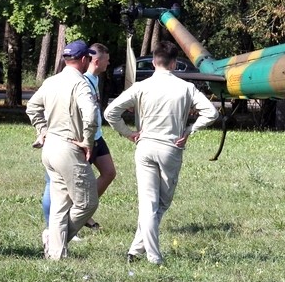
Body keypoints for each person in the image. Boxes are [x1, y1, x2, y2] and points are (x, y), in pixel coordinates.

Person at [104, 40, 218, 265]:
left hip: (144, 146)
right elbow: (211, 113)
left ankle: (135, 250)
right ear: (174, 63)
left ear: (154, 61)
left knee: (149, 204)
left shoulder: (141, 86)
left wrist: (128, 133)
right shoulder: (186, 88)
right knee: (159, 205)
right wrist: (190, 129)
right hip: (170, 148)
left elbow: (110, 112)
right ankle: (153, 257)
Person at [26, 39, 99, 259]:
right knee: (87, 203)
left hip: (50, 148)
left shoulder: (51, 81)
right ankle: (54, 239)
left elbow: (32, 107)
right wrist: (88, 142)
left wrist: (43, 130)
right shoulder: (81, 84)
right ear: (84, 59)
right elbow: (91, 116)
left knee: (60, 205)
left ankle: (56, 255)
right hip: (69, 149)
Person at [37, 43, 114, 230]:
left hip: (95, 137)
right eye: (107, 60)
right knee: (63, 187)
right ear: (92, 60)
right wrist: (43, 131)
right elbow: (45, 108)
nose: (109, 63)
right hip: (76, 140)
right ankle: (56, 229)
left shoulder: (93, 79)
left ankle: (77, 218)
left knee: (109, 173)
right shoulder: (79, 81)